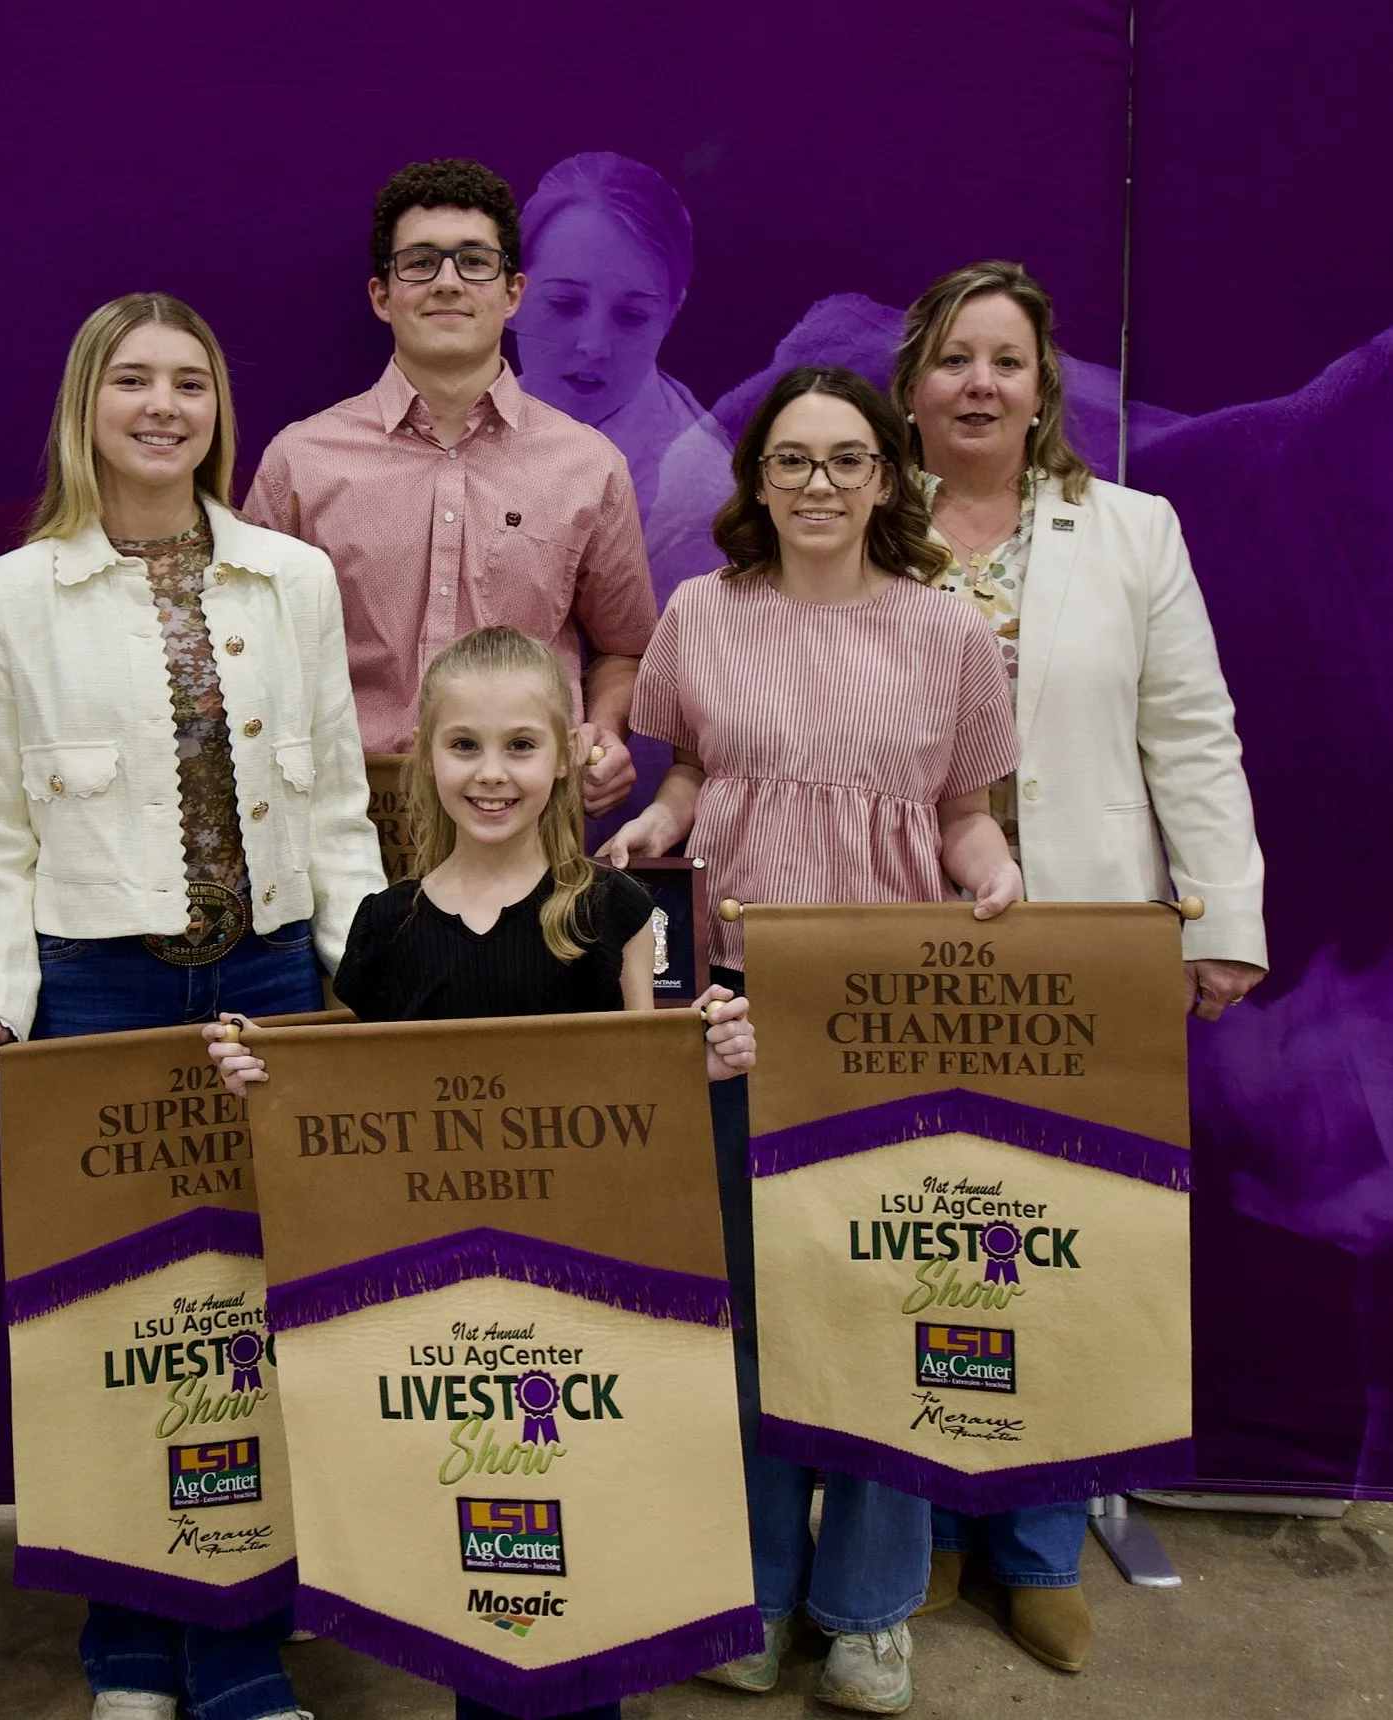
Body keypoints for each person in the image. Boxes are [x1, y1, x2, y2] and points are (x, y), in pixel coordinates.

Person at [0, 292, 385, 1720]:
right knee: (115, 1324)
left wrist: (364, 984)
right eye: (134, 382)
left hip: (270, 980)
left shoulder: (292, 579)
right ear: (88, 404)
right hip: (98, 991)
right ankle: (125, 1633)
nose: (164, 406)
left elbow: (344, 813)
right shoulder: (11, 594)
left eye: (191, 383)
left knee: (255, 1321)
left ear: (217, 411)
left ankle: (238, 1640)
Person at [203, 624, 757, 1720]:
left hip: (583, 1289)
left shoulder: (614, 914)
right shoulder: (382, 925)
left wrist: (705, 1059)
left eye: (517, 745)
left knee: (579, 1540)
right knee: (479, 1538)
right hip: (437, 1302)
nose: (491, 773)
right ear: (423, 756)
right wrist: (259, 1072)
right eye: (464, 746)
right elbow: (343, 1101)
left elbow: (653, 1093)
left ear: (563, 757)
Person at [598, 366, 1022, 1715]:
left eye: (847, 461)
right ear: (758, 481)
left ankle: (870, 1611)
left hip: (891, 1021)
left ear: (889, 479)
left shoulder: (951, 637)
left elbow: (965, 810)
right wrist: (661, 827)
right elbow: (686, 774)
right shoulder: (699, 615)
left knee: (882, 1313)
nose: (821, 485)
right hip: (727, 1008)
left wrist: (994, 863)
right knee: (741, 1318)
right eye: (794, 461)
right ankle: (754, 1593)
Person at [891, 259, 1268, 1674]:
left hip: (1087, 940)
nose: (980, 384)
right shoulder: (862, 520)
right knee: (914, 1232)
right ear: (913, 385)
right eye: (954, 360)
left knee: (1056, 1242)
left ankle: (1041, 1544)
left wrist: (1221, 913)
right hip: (899, 942)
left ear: (1045, 386)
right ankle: (921, 1529)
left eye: (1007, 360)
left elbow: (1193, 730)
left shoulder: (1134, 532)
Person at [243, 158, 656, 817]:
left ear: (514, 292)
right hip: (345, 824)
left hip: (525, 821)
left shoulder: (589, 466)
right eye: (420, 263)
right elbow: (248, 653)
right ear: (382, 295)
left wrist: (603, 731)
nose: (447, 282)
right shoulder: (301, 464)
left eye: (473, 261)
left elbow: (623, 647)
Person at [509, 151, 730, 597]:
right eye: (565, 304)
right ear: (509, 295)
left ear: (671, 313)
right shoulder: (461, 420)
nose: (593, 344)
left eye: (631, 315)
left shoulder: (697, 502)